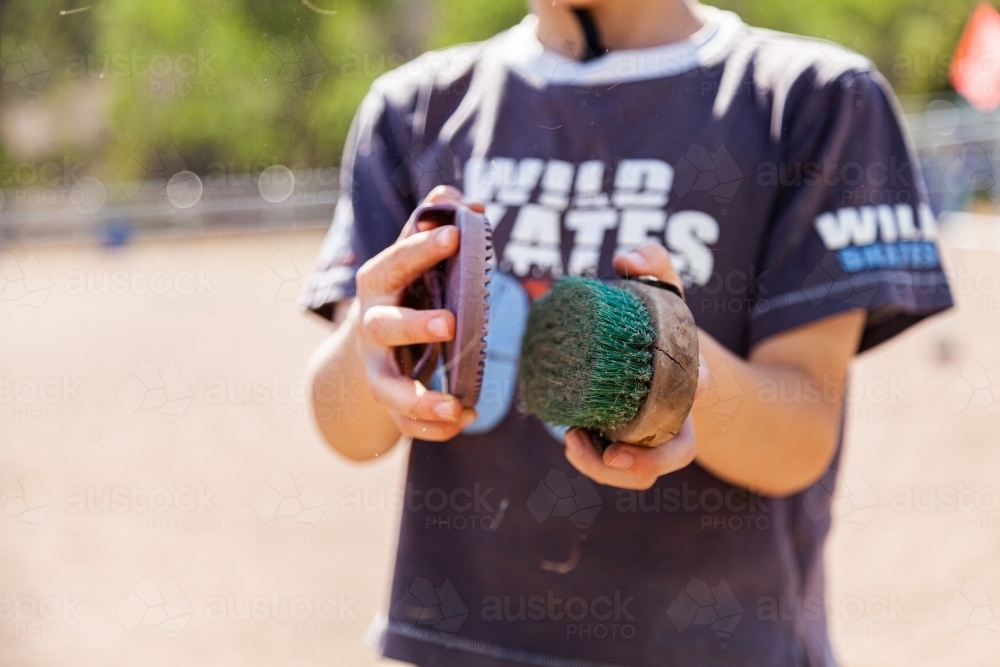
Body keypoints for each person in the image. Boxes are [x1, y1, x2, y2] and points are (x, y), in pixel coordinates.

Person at [299, 1, 953, 665]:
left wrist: (677, 370)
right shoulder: (416, 108)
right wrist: (368, 347)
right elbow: (346, 429)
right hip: (459, 642)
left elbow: (801, 433)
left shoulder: (810, 99)